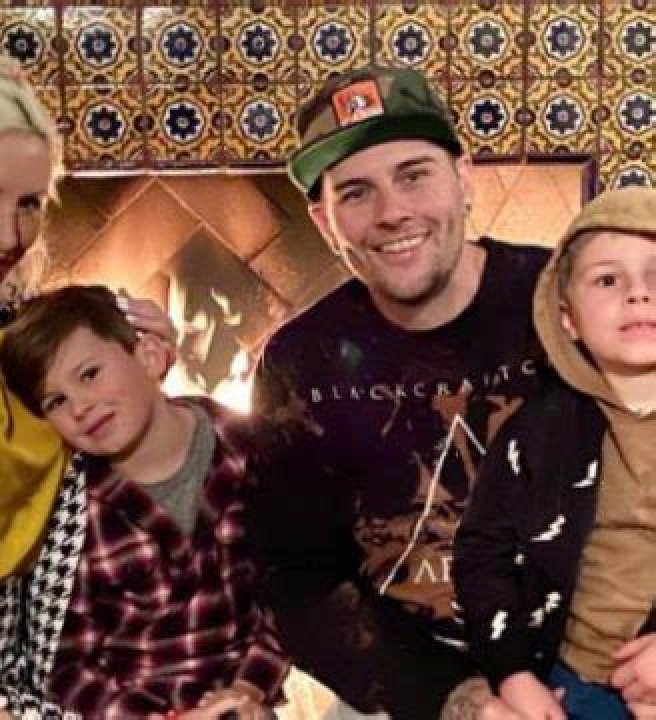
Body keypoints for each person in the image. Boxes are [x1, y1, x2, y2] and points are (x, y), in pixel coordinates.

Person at [247, 65, 551, 718]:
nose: (392, 213)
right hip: (410, 689)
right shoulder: (301, 362)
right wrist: (455, 697)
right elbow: (297, 582)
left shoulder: (567, 302)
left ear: (464, 178)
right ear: (325, 221)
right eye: (356, 193)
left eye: (414, 175)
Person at [0, 45, 178, 719]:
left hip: (43, 678)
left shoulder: (23, 333)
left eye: (29, 203)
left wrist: (143, 383)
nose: (8, 234)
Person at [0, 284, 291, 720]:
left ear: (150, 356)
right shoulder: (70, 516)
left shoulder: (251, 449)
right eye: (56, 401)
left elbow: (294, 595)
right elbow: (66, 670)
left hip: (242, 701)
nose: (79, 407)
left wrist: (250, 689)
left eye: (89, 374)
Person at [454, 186, 656, 720]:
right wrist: (513, 674)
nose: (639, 295)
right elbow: (483, 554)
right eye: (608, 280)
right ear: (567, 317)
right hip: (571, 684)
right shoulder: (538, 432)